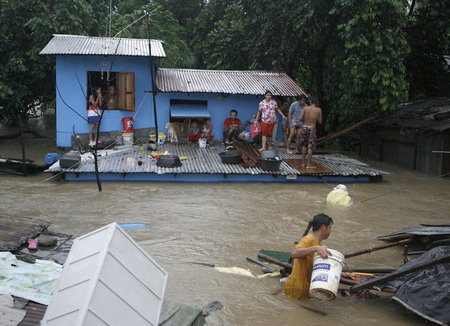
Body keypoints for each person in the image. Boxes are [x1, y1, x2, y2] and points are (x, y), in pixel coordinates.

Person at [284, 213, 334, 300]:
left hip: (305, 289)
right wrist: (315, 248)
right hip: (296, 289)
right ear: (323, 228)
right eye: (329, 228)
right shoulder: (309, 239)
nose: (330, 231)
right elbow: (294, 253)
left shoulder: (317, 243)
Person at [299, 96, 322, 168]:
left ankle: (303, 163)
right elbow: (320, 122)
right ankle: (308, 165)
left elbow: (300, 118)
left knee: (304, 146)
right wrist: (316, 118)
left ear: (310, 102)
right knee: (310, 146)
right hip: (312, 128)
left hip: (304, 127)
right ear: (316, 102)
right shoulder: (318, 110)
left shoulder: (305, 108)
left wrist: (305, 120)